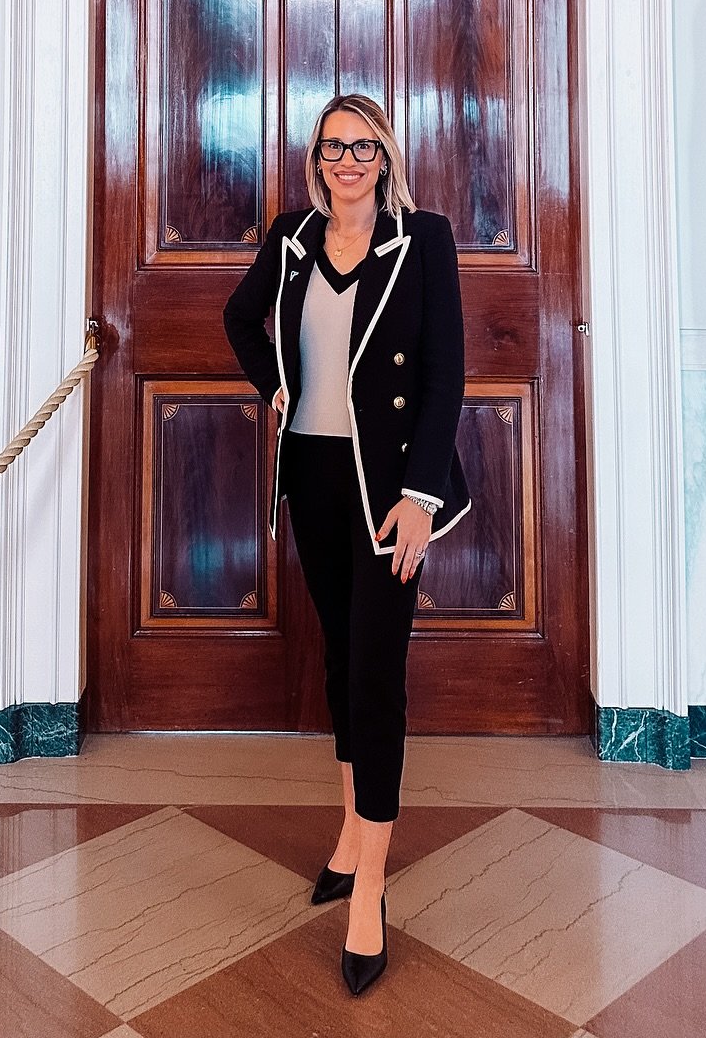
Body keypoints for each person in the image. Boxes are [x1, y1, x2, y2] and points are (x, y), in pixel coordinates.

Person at [223, 94, 469, 995]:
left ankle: (370, 886)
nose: (349, 161)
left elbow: (447, 372)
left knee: (376, 674)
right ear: (316, 160)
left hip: (387, 492)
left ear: (386, 157)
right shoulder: (293, 238)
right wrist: (275, 389)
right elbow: (239, 321)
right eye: (334, 148)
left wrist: (420, 499)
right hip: (316, 481)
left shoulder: (424, 239)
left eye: (364, 147)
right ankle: (346, 835)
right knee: (339, 664)